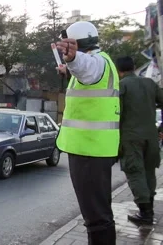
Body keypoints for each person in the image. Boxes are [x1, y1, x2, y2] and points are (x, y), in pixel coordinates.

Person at [55, 21, 120, 244]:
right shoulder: (103, 62)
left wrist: (73, 60)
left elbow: (87, 68)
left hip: (89, 151)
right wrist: (68, 68)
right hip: (95, 150)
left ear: (77, 43)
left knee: (96, 219)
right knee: (98, 215)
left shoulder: (94, 63)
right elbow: (87, 75)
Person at [116, 56, 163, 224]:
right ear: (134, 66)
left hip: (131, 138)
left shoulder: (122, 86)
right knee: (149, 172)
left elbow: (117, 115)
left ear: (119, 70)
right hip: (151, 137)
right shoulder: (150, 84)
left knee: (135, 172)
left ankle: (146, 214)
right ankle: (148, 208)